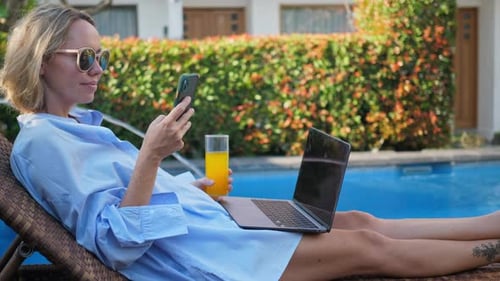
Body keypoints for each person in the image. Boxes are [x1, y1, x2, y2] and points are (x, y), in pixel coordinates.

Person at [1, 4, 500, 281]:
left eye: (102, 56)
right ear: (42, 60)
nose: (99, 70)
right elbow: (116, 246)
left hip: (205, 221)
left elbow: (128, 196)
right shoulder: (43, 144)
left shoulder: (79, 126)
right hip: (200, 256)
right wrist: (152, 154)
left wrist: (192, 187)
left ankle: (491, 223)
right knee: (367, 246)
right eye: (85, 58)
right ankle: (490, 249)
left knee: (355, 220)